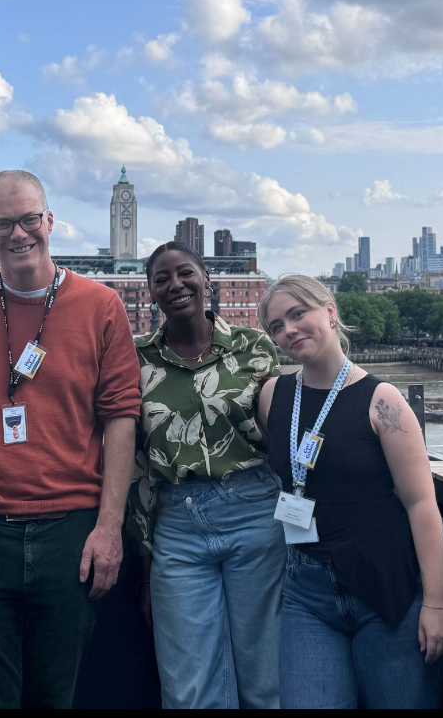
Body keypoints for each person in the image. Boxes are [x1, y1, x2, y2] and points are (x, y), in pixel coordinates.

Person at [0, 170, 142, 709]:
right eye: (2, 224)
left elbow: (120, 418)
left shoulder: (101, 305)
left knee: (58, 693)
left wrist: (109, 528)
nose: (18, 234)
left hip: (70, 531)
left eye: (28, 219)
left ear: (49, 221)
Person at [256, 275, 443, 709]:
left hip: (385, 590)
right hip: (306, 592)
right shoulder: (273, 395)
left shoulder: (383, 401)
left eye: (297, 314)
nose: (288, 330)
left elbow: (421, 504)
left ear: (330, 311)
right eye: (276, 326)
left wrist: (436, 604)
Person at [127, 241, 284, 709]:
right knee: (188, 689)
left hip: (255, 511)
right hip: (177, 521)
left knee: (266, 676)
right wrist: (143, 561)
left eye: (185, 273)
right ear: (150, 293)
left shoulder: (254, 348)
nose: (175, 285)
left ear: (207, 280)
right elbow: (134, 460)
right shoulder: (135, 358)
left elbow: (288, 428)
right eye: (161, 279)